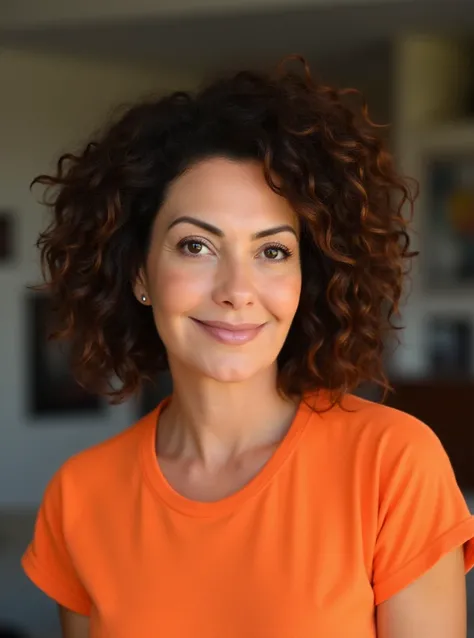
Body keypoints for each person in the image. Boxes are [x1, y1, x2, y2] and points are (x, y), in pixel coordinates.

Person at [22, 56, 474, 638]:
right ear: (139, 272)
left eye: (272, 251)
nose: (237, 291)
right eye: (196, 246)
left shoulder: (392, 464)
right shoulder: (80, 496)